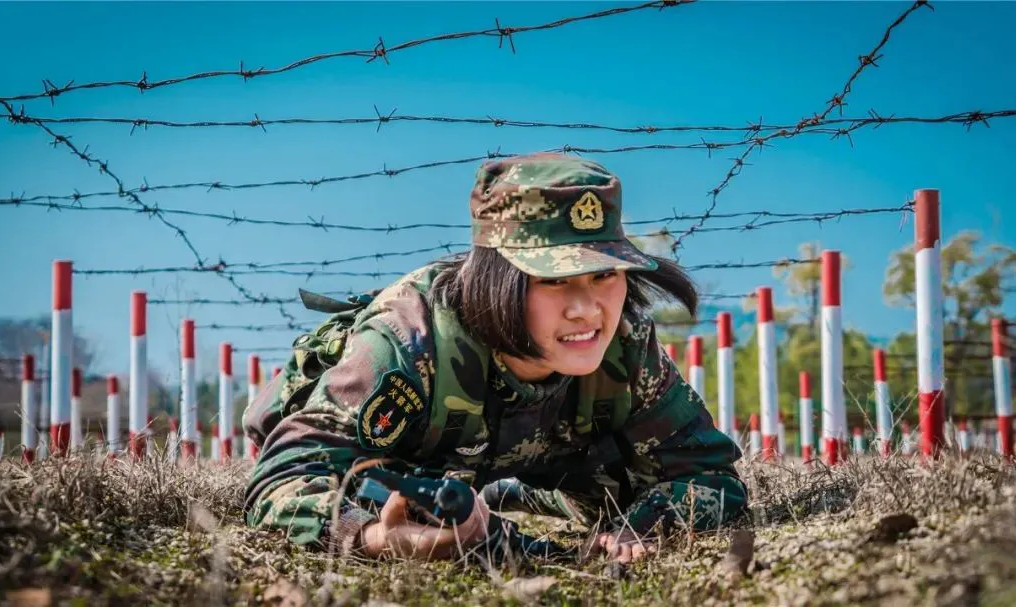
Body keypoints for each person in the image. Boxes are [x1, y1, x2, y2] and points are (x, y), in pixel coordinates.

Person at [241, 152, 748, 565]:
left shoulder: (625, 344)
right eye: (552, 280)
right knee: (377, 491)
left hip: (538, 457)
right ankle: (491, 493)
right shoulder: (406, 344)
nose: (586, 309)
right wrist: (372, 538)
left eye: (604, 275)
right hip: (408, 459)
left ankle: (512, 490)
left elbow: (712, 476)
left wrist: (641, 522)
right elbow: (282, 481)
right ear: (495, 278)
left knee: (626, 482)